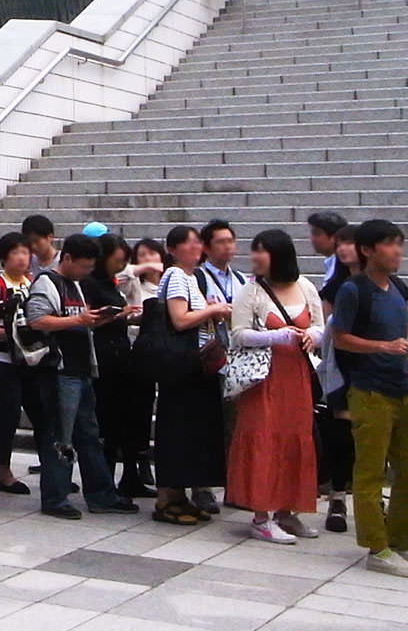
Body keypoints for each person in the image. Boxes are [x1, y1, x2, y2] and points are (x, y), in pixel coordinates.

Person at [332, 219, 408, 578]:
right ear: (367, 250)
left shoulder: (398, 289)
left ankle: (401, 541)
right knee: (370, 473)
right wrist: (382, 346)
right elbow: (340, 338)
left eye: (399, 244)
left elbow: (403, 334)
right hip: (370, 391)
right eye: (390, 244)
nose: (397, 252)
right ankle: (377, 548)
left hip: (403, 388)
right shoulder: (353, 290)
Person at [20, 233, 134, 520]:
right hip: (60, 371)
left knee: (89, 434)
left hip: (81, 369)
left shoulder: (75, 285)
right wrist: (78, 320)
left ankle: (101, 494)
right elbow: (36, 320)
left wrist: (105, 318)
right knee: (61, 436)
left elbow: (80, 322)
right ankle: (56, 497)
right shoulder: (47, 282)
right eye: (82, 266)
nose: (86, 272)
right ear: (67, 258)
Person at [227, 230, 323, 543]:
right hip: (263, 377)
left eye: (262, 251)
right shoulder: (250, 291)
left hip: (296, 375)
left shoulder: (305, 286)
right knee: (264, 438)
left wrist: (313, 336)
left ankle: (287, 509)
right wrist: (276, 336)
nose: (255, 257)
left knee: (294, 437)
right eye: (255, 251)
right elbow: (238, 334)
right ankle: (260, 515)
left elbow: (322, 325)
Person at [152, 226, 229, 526]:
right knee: (178, 430)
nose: (197, 248)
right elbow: (180, 319)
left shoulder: (191, 278)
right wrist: (213, 311)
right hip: (181, 367)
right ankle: (167, 497)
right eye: (190, 243)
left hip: (194, 367)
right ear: (173, 249)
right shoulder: (175, 277)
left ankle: (178, 495)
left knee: (190, 432)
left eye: (199, 243)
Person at [90, 235, 155, 500]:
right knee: (108, 423)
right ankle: (104, 485)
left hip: (121, 356)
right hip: (103, 359)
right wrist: (118, 314)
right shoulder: (92, 284)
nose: (120, 266)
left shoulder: (112, 282)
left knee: (128, 421)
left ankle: (131, 477)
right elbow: (88, 320)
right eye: (117, 261)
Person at [0, 231, 37, 496]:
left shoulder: (32, 283)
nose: (22, 258)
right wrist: (12, 333)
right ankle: (3, 471)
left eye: (25, 252)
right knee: (8, 415)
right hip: (2, 360)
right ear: (4, 257)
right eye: (16, 253)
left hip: (29, 359)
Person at [315, 232, 359, 533]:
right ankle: (338, 496)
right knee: (342, 436)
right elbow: (328, 337)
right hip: (341, 371)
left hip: (375, 373)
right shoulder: (335, 288)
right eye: (340, 243)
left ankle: (370, 496)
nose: (344, 249)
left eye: (350, 243)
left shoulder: (391, 287)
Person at [306, 211, 348, 285]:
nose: (312, 239)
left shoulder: (345, 268)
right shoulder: (332, 263)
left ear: (334, 237)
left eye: (317, 234)